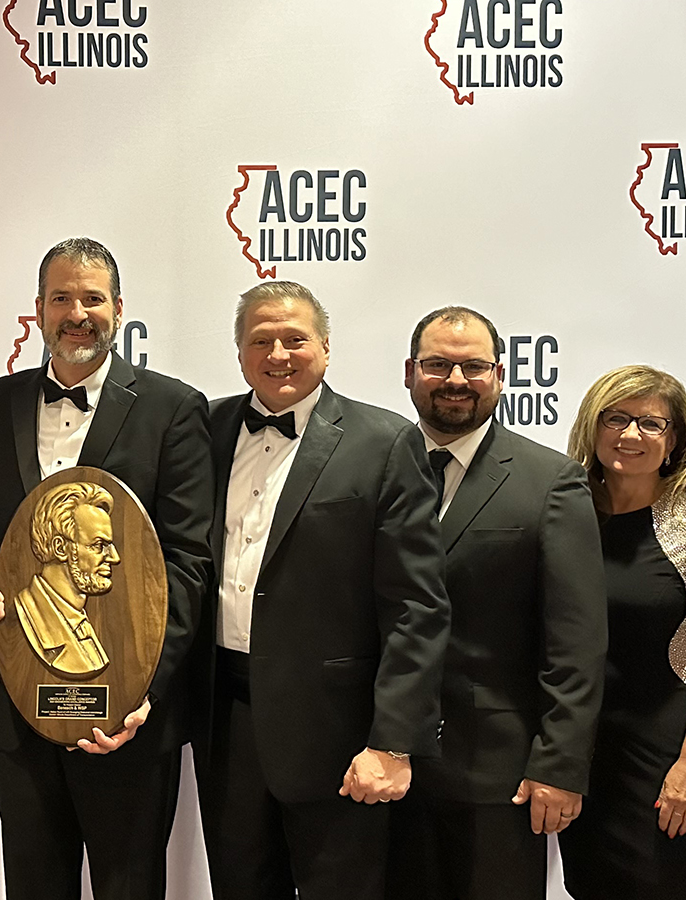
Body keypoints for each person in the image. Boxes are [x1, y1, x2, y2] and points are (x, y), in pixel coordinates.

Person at [0, 237, 214, 899]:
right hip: (18, 708)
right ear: (39, 310)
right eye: (62, 298)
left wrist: (143, 690)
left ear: (119, 308)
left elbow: (189, 564)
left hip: (127, 716)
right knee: (32, 884)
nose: (78, 313)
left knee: (129, 886)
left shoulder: (173, 408)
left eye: (93, 298)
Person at [196, 281, 450, 900]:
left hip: (338, 732)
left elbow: (416, 607)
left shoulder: (386, 441)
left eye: (294, 339)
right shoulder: (207, 427)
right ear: (239, 352)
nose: (278, 354)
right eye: (260, 341)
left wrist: (392, 741)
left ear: (327, 348)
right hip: (223, 720)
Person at [386, 307, 607, 900]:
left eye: (473, 366)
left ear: (501, 375)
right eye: (437, 364)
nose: (455, 379)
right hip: (380, 765)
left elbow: (576, 640)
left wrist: (559, 764)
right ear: (409, 373)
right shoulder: (368, 462)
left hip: (497, 769)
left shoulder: (550, 481)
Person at [555, 365, 686, 898]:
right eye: (616, 418)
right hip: (586, 756)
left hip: (673, 754)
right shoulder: (563, 515)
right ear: (592, 428)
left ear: (675, 440)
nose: (631, 434)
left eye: (650, 423)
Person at [12, 482, 119, 678]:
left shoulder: (82, 621)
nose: (114, 557)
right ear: (61, 548)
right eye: (99, 545)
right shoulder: (28, 614)